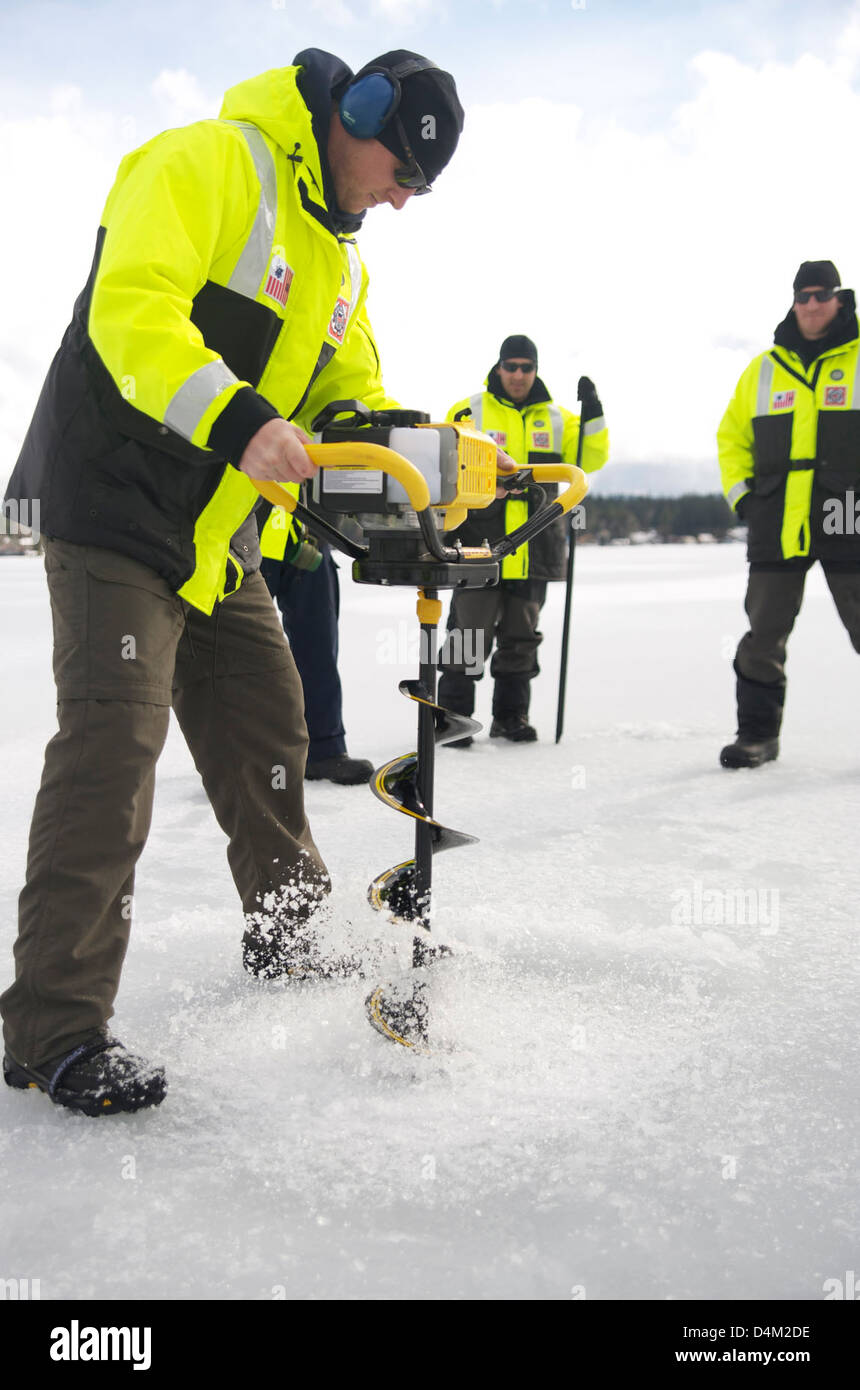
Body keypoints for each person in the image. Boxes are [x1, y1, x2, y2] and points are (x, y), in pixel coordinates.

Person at [0, 48, 465, 1115]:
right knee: (113, 746)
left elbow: (351, 400)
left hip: (217, 538)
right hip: (114, 510)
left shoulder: (341, 268)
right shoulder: (206, 164)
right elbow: (132, 313)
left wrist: (425, 454)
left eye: (416, 188)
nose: (398, 199)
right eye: (398, 170)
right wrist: (241, 418)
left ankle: (288, 934)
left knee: (268, 722)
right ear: (353, 113)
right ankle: (55, 1027)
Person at [718, 260, 860, 769]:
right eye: (803, 295)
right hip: (778, 520)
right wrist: (745, 499)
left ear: (840, 298)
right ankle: (757, 736)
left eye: (822, 294)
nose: (812, 304)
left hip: (851, 516)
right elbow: (731, 439)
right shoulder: (763, 368)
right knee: (763, 634)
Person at [437, 335, 609, 743]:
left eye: (526, 367)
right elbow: (445, 464)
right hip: (478, 547)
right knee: (466, 633)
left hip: (535, 548)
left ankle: (510, 719)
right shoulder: (469, 410)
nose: (518, 375)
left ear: (535, 370)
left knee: (521, 637)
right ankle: (450, 720)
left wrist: (594, 413)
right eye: (511, 366)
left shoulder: (560, 419)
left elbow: (592, 457)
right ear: (498, 368)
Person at [258, 525, 374, 785]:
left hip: (308, 536)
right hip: (248, 537)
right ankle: (236, 756)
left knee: (319, 649)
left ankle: (324, 750)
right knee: (244, 656)